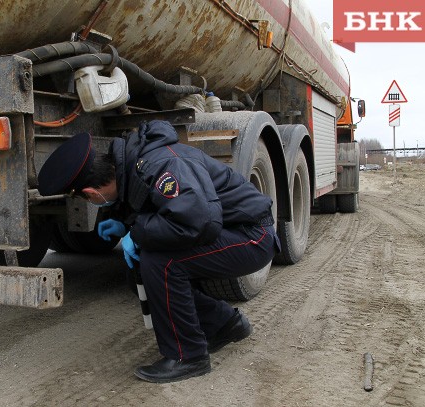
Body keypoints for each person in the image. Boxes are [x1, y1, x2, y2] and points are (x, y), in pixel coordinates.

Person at [37, 120, 280, 383]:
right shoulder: (133, 167)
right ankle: (224, 324)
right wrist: (126, 225)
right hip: (230, 231)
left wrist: (138, 232)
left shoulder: (162, 166)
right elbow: (159, 206)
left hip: (252, 236)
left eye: (85, 199)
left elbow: (199, 223)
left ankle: (189, 356)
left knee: (161, 263)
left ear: (90, 192)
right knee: (141, 268)